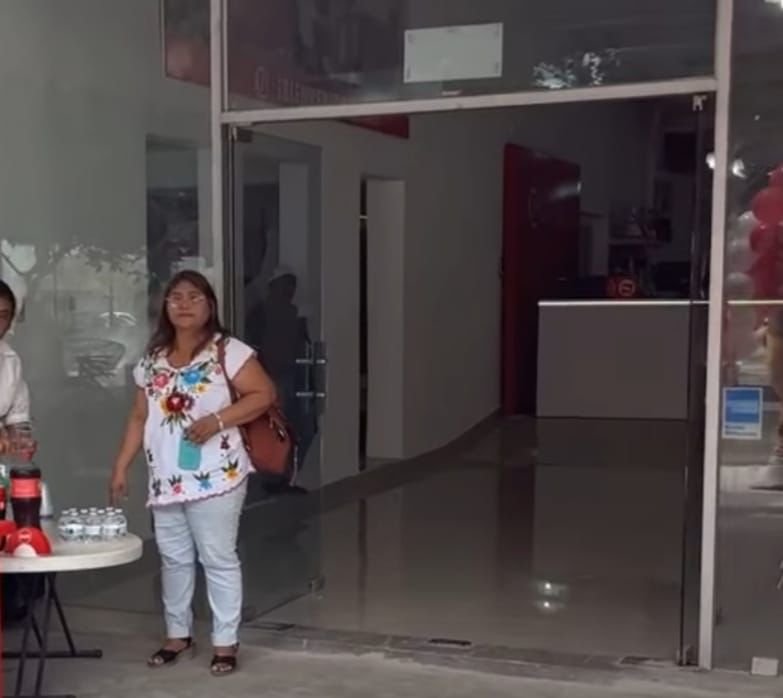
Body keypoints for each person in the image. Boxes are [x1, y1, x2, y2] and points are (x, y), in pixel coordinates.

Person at [109, 270, 276, 676]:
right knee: (174, 559)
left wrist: (217, 421)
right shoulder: (152, 359)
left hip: (217, 474)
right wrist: (121, 466)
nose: (184, 304)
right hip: (167, 478)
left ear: (210, 305)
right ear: (164, 306)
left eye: (194, 297)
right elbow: (138, 417)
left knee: (217, 557)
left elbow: (264, 394)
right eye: (176, 297)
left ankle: (225, 642)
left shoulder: (227, 351)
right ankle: (177, 635)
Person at [0, 279, 35, 623]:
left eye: (4, 315)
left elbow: (17, 416)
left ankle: (13, 601)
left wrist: (20, 438)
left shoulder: (9, 359)